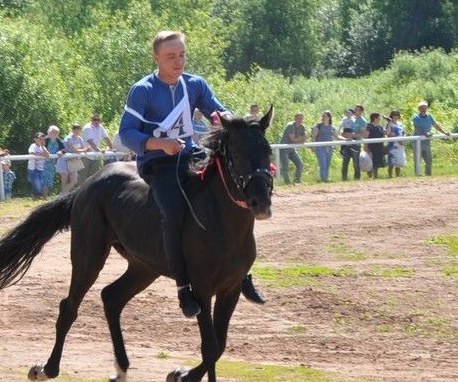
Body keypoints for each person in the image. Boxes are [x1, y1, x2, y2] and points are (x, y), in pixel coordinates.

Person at [118, 30, 264, 316]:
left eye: (182, 55)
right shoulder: (143, 90)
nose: (178, 61)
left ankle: (242, 273)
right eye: (171, 56)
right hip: (156, 164)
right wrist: (160, 144)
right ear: (156, 57)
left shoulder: (195, 85)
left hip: (191, 156)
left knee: (234, 193)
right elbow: (127, 134)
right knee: (174, 214)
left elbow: (220, 112)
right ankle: (184, 288)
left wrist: (223, 120)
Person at [412, 101, 446, 176]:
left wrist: (444, 132)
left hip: (426, 141)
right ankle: (417, 175)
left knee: (429, 160)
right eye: (421, 108)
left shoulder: (429, 116)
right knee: (418, 159)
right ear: (419, 109)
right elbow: (417, 128)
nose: (423, 109)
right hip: (417, 141)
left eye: (425, 108)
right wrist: (425, 134)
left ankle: (428, 174)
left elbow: (435, 125)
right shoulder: (416, 117)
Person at [340, 106, 366, 181]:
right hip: (348, 143)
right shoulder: (353, 120)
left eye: (357, 110)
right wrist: (345, 134)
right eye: (355, 109)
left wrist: (351, 135)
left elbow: (362, 134)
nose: (355, 111)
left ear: (361, 112)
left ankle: (357, 178)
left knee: (356, 163)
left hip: (356, 145)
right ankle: (344, 178)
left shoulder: (362, 121)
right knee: (345, 162)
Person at [279, 113, 306, 184]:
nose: (300, 120)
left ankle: (297, 181)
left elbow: (304, 140)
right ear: (295, 118)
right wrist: (300, 139)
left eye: (301, 118)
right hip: (284, 148)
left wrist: (299, 139)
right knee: (285, 166)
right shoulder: (290, 126)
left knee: (300, 164)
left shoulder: (302, 127)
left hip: (292, 148)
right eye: (298, 118)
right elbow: (293, 139)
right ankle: (287, 183)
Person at [312, 110, 337, 182]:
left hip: (329, 148)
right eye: (322, 116)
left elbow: (337, 137)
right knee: (323, 164)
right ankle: (324, 179)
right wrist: (313, 146)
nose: (323, 117)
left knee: (327, 164)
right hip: (320, 148)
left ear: (329, 117)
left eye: (325, 116)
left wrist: (346, 139)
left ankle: (325, 178)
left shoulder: (332, 127)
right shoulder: (318, 126)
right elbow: (313, 137)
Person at [63, 124, 88, 192]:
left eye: (79, 130)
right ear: (73, 130)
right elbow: (74, 150)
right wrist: (84, 150)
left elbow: (84, 147)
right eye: (75, 130)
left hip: (75, 161)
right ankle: (62, 194)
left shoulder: (79, 138)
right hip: (67, 161)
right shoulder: (68, 138)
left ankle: (62, 194)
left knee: (74, 181)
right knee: (67, 180)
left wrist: (84, 150)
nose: (77, 131)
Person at [364, 111, 386, 179]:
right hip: (372, 147)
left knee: (377, 164)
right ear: (375, 118)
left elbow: (385, 133)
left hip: (379, 147)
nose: (379, 119)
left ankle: (375, 177)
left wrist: (389, 123)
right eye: (378, 118)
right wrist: (366, 147)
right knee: (370, 163)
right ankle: (370, 177)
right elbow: (366, 137)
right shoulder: (369, 126)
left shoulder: (380, 127)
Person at [385, 109, 407, 178]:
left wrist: (403, 139)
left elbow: (404, 132)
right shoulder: (389, 124)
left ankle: (398, 176)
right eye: (394, 115)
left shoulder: (400, 124)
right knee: (391, 161)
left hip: (400, 144)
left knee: (399, 162)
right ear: (391, 116)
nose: (396, 116)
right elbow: (388, 133)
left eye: (397, 114)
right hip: (393, 145)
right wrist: (389, 123)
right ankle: (390, 176)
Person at [28, 131, 50, 198]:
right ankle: (36, 195)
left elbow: (47, 155)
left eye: (42, 139)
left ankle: (35, 195)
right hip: (33, 168)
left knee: (38, 184)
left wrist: (43, 147)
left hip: (41, 169)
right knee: (37, 185)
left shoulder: (43, 147)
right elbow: (31, 153)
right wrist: (41, 154)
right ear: (35, 139)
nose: (41, 140)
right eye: (39, 138)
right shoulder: (33, 146)